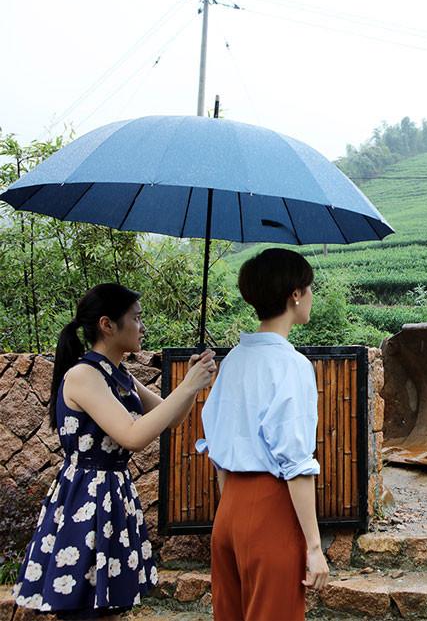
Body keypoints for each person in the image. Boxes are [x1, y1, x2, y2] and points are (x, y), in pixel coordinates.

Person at [12, 283, 215, 620]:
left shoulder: (118, 373)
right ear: (107, 325)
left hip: (111, 494)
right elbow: (133, 435)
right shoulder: (84, 375)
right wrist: (189, 384)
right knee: (83, 603)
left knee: (110, 605)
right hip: (86, 498)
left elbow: (171, 418)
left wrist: (192, 384)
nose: (142, 326)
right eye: (135, 318)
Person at [196, 248, 330, 621]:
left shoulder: (234, 360)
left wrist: (235, 509)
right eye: (310, 287)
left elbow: (218, 449)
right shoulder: (292, 365)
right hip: (270, 510)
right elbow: (296, 463)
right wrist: (314, 547)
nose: (311, 295)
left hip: (229, 514)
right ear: (296, 294)